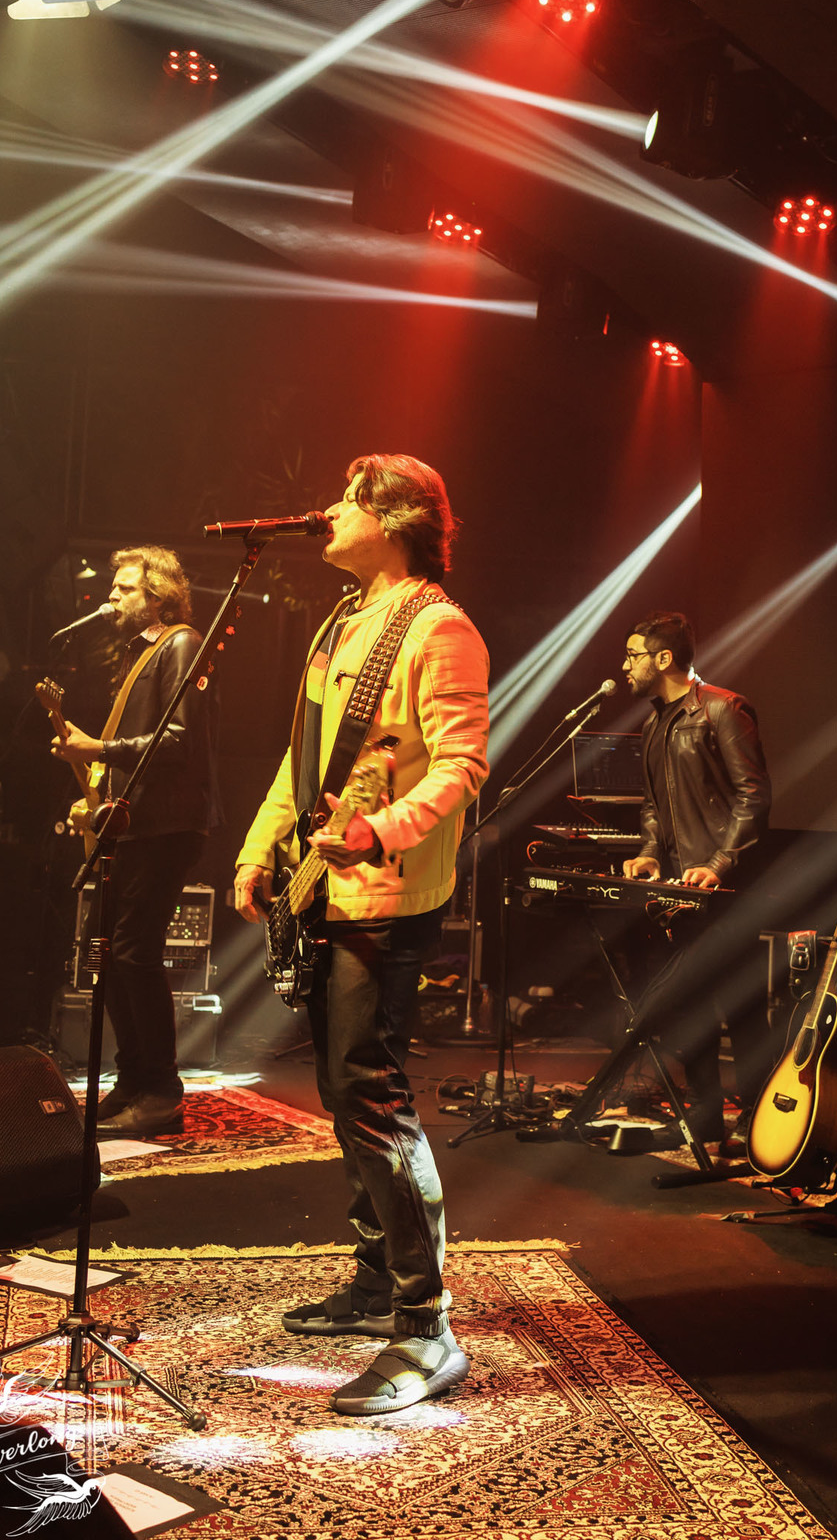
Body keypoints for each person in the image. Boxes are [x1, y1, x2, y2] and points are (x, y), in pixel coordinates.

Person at [233, 454, 489, 1417]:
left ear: (397, 518)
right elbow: (303, 761)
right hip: (327, 890)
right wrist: (260, 847)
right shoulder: (342, 621)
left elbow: (462, 765)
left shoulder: (439, 627)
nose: (330, 512)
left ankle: (427, 1328)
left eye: (349, 500)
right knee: (344, 1092)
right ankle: (378, 1279)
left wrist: (382, 830)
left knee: (372, 1097)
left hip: (386, 895)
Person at [51, 546, 220, 1138]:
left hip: (166, 825)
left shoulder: (181, 643)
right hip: (133, 822)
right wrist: (95, 784)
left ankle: (162, 1089)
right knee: (109, 954)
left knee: (133, 954)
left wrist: (99, 748)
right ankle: (132, 1079)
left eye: (124, 588)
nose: (111, 598)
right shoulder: (141, 651)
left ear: (158, 594)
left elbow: (178, 741)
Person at [621, 610, 771, 1147]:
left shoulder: (723, 709)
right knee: (688, 1007)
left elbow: (754, 797)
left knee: (740, 1005)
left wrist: (719, 863)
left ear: (663, 658)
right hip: (679, 891)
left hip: (728, 889)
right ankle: (706, 1114)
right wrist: (649, 854)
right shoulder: (653, 725)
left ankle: (760, 1118)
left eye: (632, 655)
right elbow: (653, 806)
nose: (624, 667)